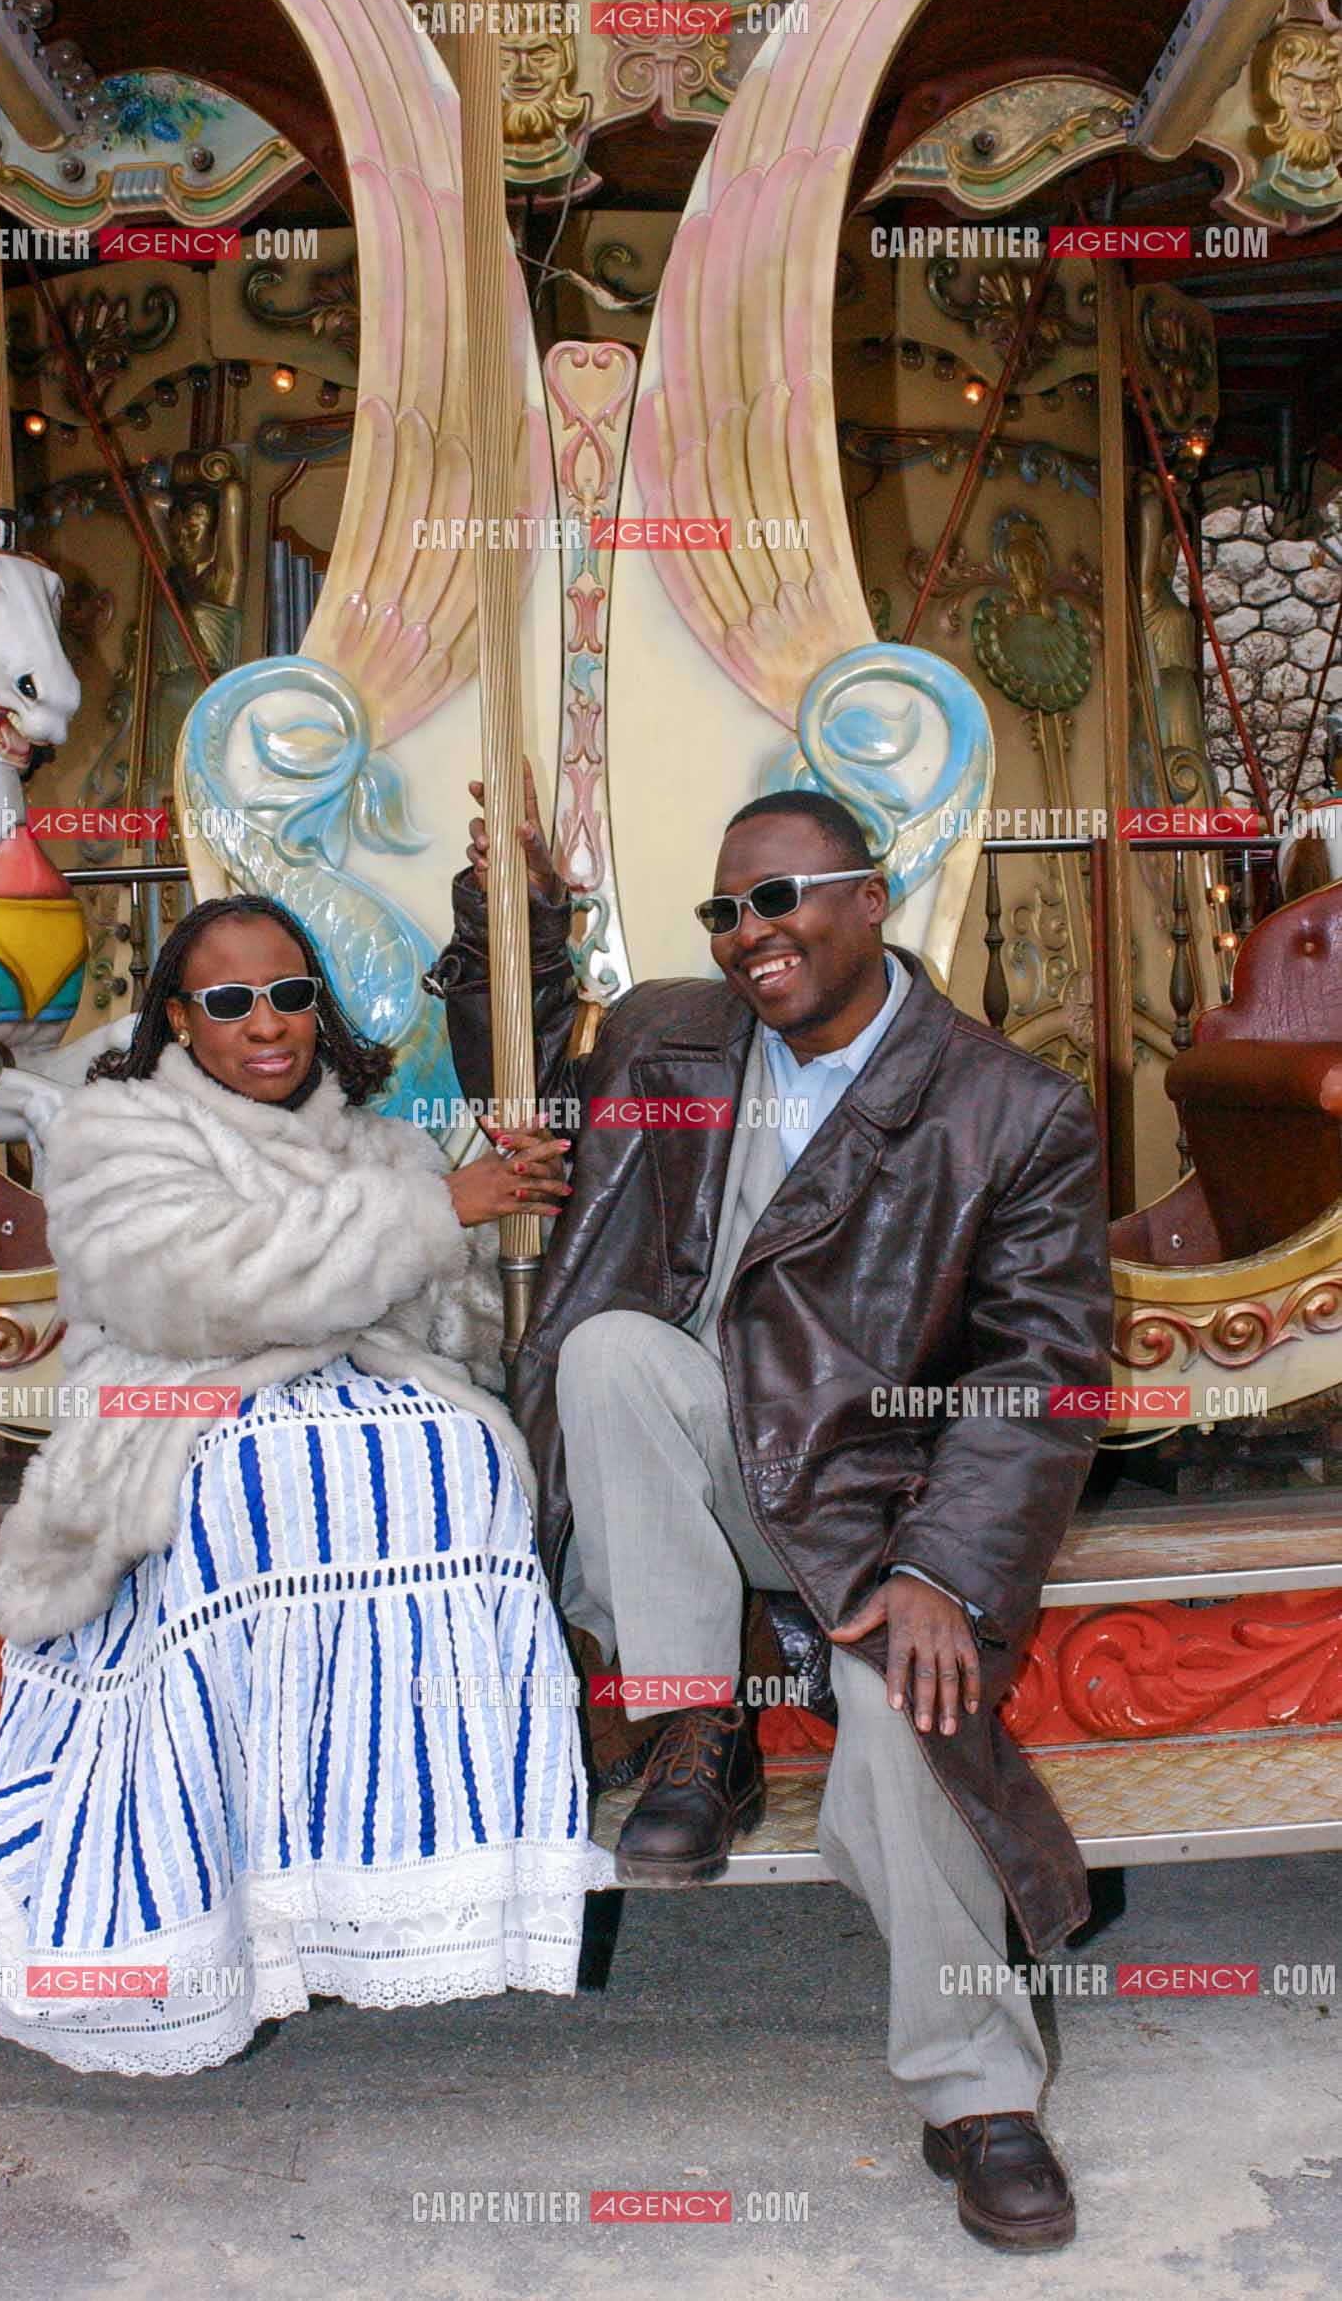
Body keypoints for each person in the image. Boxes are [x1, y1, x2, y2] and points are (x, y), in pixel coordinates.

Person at [435, 773, 1112, 2253]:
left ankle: (979, 2093)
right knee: (612, 1346)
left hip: (883, 1503)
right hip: (706, 1469)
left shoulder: (1009, 1107)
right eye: (726, 908)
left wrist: (945, 1565)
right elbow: (524, 1063)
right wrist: (517, 918)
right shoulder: (675, 1037)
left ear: (872, 898)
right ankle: (700, 1720)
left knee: (908, 1726)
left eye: (782, 896)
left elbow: (1046, 1369)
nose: (752, 933)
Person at [0, 892, 605, 2075]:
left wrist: (478, 1237)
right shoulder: (114, 1128)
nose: (267, 1023)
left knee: (467, 1455)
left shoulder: (377, 1140)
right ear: (182, 1017)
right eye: (231, 1001)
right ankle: (231, 1872)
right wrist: (431, 1212)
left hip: (362, 1388)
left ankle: (384, 1840)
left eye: (289, 994)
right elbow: (190, 1296)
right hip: (164, 1399)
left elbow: (455, 1335)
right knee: (263, 1476)